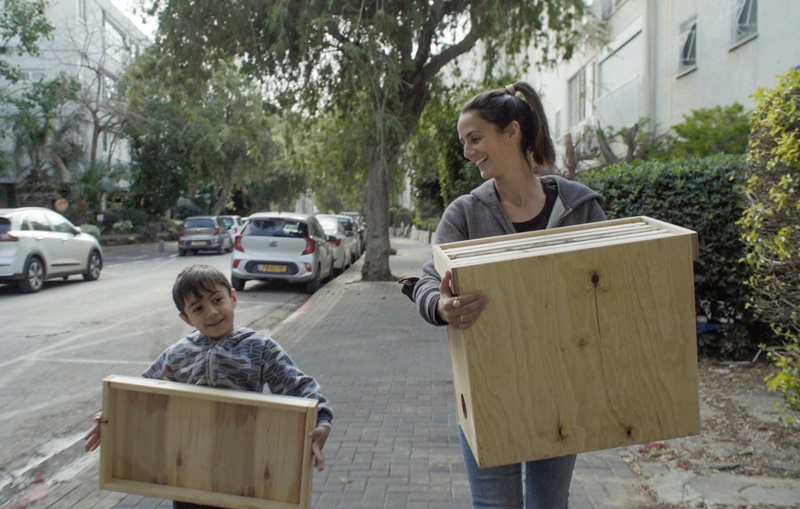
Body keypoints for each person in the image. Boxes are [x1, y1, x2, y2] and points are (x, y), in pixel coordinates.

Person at [412, 81, 607, 509]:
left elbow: (607, 283)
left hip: (562, 386)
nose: (467, 152)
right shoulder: (464, 213)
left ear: (512, 132)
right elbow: (425, 281)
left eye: (475, 138)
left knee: (549, 505)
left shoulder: (580, 207)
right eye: (463, 142)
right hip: (489, 390)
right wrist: (442, 307)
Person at [84, 264, 333, 509]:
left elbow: (299, 386)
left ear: (233, 298)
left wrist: (321, 420)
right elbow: (136, 393)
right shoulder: (177, 354)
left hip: (242, 470)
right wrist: (108, 417)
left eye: (217, 300)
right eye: (198, 308)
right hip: (187, 473)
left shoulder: (260, 347)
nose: (211, 312)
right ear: (186, 317)